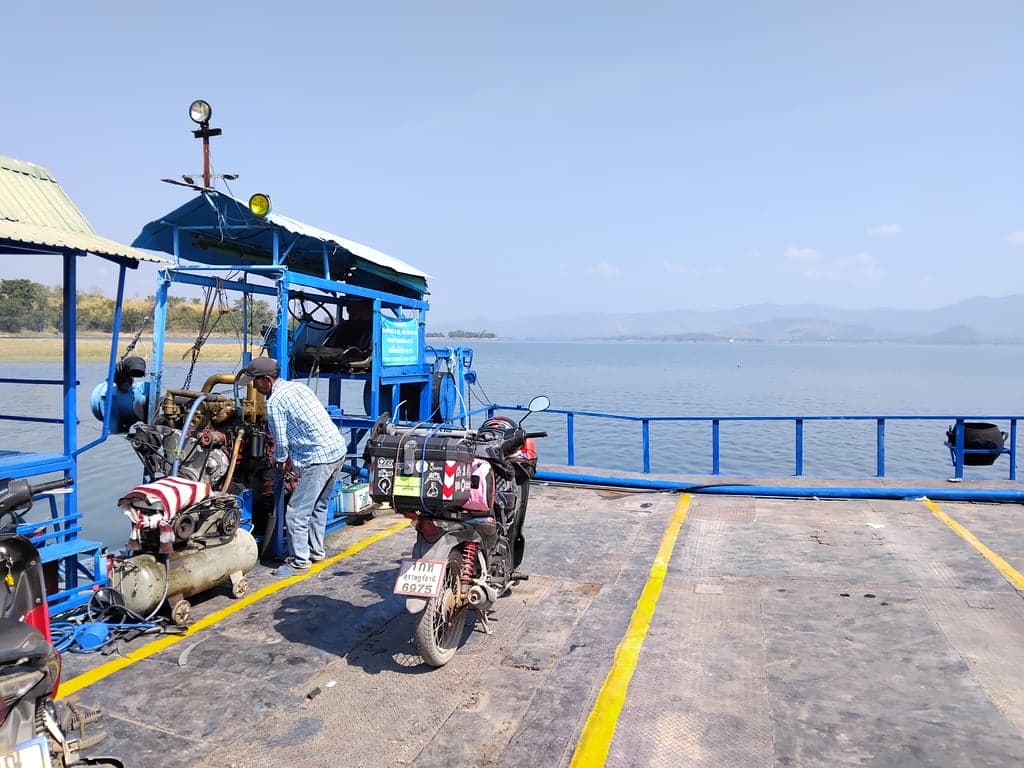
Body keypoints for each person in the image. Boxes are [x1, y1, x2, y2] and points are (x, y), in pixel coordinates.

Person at [236, 357, 345, 576]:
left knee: (296, 512)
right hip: (337, 450)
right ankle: (315, 551)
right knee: (319, 506)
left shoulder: (275, 402)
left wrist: (280, 461)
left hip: (318, 458)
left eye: (255, 382)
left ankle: (300, 561)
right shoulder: (297, 388)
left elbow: (280, 441)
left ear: (267, 380)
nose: (254, 387)